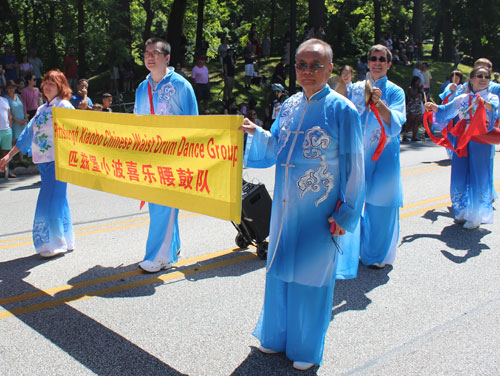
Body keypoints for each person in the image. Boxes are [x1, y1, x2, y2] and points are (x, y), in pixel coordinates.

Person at [239, 38, 364, 371]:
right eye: (302, 65)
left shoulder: (343, 110)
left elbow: (355, 166)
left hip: (319, 211)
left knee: (311, 278)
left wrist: (346, 212)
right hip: (284, 207)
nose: (307, 71)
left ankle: (305, 349)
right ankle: (275, 338)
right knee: (280, 269)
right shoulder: (290, 104)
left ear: (330, 69)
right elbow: (277, 145)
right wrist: (256, 132)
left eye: (315, 65)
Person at [134, 37, 198, 273]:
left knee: (163, 205)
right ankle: (173, 247)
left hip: (174, 157)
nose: (149, 57)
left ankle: (159, 257)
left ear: (167, 57)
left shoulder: (181, 86)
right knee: (160, 205)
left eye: (155, 53)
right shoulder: (142, 87)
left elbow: (194, 123)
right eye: (147, 53)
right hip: (149, 156)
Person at [0, 70, 75, 257]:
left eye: (52, 83)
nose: (47, 85)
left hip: (58, 161)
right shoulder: (42, 109)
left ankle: (52, 244)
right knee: (58, 200)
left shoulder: (64, 106)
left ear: (61, 87)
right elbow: (27, 134)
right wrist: (9, 156)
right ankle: (65, 239)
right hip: (44, 161)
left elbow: (77, 132)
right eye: (46, 82)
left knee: (48, 202)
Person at [348, 44, 406, 268]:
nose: (378, 62)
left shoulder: (394, 91)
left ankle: (376, 256)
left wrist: (378, 102)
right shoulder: (355, 88)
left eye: (383, 59)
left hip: (383, 159)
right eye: (374, 58)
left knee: (380, 206)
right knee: (351, 204)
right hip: (357, 158)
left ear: (389, 64)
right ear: (368, 61)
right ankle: (352, 252)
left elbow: (396, 123)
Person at [425, 66, 498, 229]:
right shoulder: (463, 98)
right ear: (471, 79)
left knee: (478, 175)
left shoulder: (492, 97)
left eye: (487, 76)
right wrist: (433, 107)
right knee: (459, 173)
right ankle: (461, 211)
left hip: (481, 139)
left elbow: (495, 111)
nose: (484, 78)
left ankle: (476, 215)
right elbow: (446, 110)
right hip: (462, 139)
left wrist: (484, 103)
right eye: (480, 75)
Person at [5, 80, 28, 167]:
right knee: (13, 141)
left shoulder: (18, 96)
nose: (11, 89)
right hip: (14, 123)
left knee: (21, 140)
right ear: (7, 89)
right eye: (9, 88)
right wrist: (18, 121)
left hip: (22, 121)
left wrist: (25, 117)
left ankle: (21, 160)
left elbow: (23, 107)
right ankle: (11, 160)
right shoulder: (6, 99)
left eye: (13, 87)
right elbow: (9, 113)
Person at [403, 76, 424, 142]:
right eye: (417, 81)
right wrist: (418, 91)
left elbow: (422, 98)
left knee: (416, 122)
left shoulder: (419, 90)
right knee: (410, 122)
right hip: (411, 107)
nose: (418, 83)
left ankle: (414, 136)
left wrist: (421, 91)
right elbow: (413, 96)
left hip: (418, 107)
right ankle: (405, 135)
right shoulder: (410, 88)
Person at [0, 87, 13, 178]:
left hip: (7, 130)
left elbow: (9, 114)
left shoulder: (4, 100)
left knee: (6, 152)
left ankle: (5, 171)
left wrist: (10, 126)